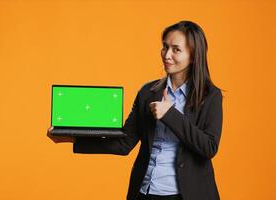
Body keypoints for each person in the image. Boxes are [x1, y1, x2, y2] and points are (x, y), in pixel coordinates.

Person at [47, 20, 223, 200]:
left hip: (187, 195)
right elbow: (124, 143)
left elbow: (209, 147)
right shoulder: (148, 92)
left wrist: (169, 114)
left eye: (176, 49)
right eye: (165, 47)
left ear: (193, 55)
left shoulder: (210, 96)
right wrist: (73, 139)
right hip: (145, 192)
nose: (167, 55)